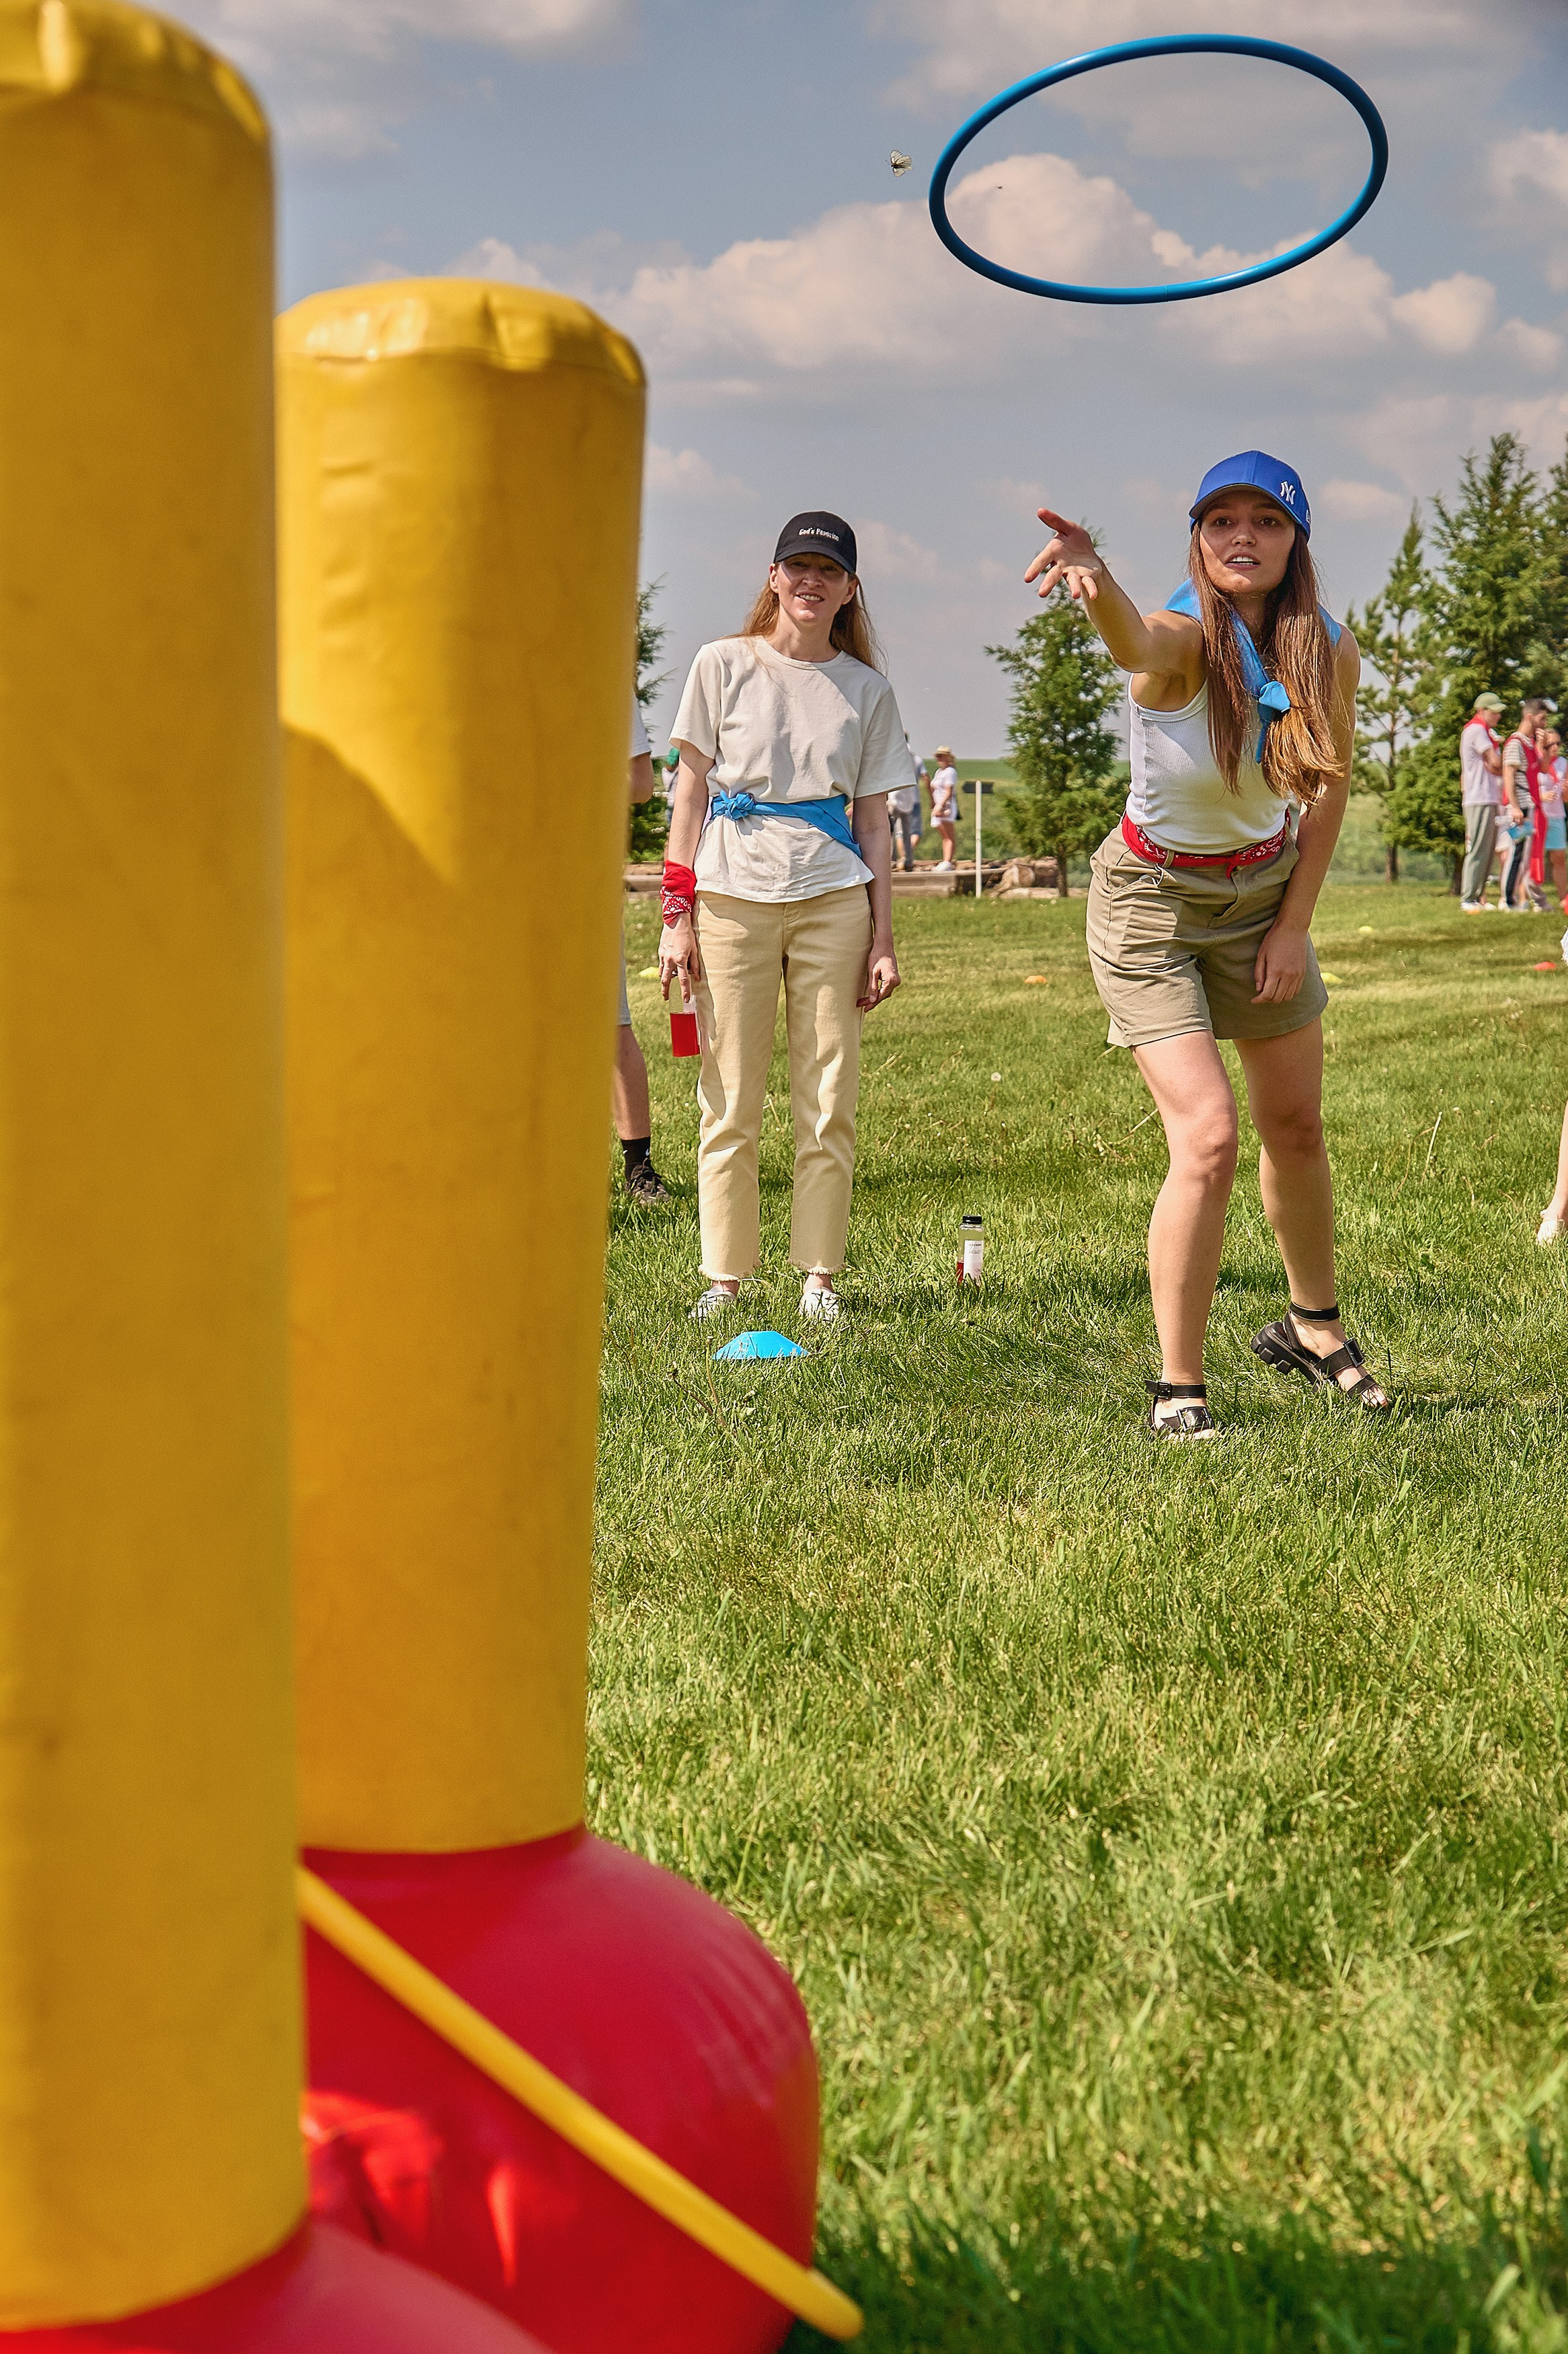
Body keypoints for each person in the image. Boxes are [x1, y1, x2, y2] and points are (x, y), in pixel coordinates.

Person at [1025, 451, 1390, 1437]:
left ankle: (1313, 1328)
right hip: (1151, 902)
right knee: (1211, 1136)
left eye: (1265, 522)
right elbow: (1134, 642)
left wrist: (1295, 924)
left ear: (1296, 542)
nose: (1243, 538)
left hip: (1264, 893)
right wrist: (1093, 575)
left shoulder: (1328, 653)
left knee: (1299, 1128)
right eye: (1222, 521)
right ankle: (1178, 1390)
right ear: (1198, 537)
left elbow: (1330, 789)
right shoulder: (1185, 639)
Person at [658, 510, 905, 1323]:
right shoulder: (721, 664)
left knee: (828, 1089)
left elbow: (872, 822)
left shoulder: (866, 689)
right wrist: (676, 915)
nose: (810, 580)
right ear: (772, 577)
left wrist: (881, 936)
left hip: (833, 897)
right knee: (727, 1092)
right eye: (796, 566)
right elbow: (688, 794)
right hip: (730, 897)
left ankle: (819, 1276)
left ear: (849, 589)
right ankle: (724, 1276)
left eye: (827, 571)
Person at [614, 699, 670, 1203]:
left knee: (611, 1021)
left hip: (571, 869)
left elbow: (639, 783)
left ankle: (639, 1168)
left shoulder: (600, 673)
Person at [1502, 697, 1557, 912]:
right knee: (1518, 855)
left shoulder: (1529, 744)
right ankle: (1509, 900)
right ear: (1529, 717)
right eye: (1542, 718)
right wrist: (1515, 806)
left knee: (1523, 856)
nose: (1544, 723)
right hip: (1521, 806)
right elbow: (1509, 774)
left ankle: (1514, 899)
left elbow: (1541, 769)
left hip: (1529, 804)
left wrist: (1542, 747)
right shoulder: (1516, 742)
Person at [1459, 692, 1505, 909]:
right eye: (1493, 712)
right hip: (1478, 797)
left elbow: (1494, 765)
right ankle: (1468, 897)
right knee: (1478, 849)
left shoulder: (1487, 732)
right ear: (1481, 711)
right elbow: (1495, 764)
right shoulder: (1476, 730)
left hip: (1489, 797)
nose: (1498, 716)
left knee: (1487, 851)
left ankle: (1477, 897)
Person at [1537, 725, 1568, 911]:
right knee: (1534, 859)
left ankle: (1564, 899)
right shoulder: (1536, 760)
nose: (1555, 747)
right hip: (1538, 815)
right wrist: (1541, 797)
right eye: (1551, 744)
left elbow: (1566, 799)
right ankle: (1531, 899)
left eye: (1558, 743)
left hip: (1556, 815)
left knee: (1559, 858)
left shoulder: (1564, 763)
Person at [888, 736, 923, 870]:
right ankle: (908, 859)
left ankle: (891, 859)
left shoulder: (896, 752)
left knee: (891, 831)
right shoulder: (914, 756)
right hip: (909, 797)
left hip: (896, 796)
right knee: (907, 831)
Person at [930, 745, 959, 868]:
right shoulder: (939, 772)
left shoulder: (950, 772)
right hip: (938, 806)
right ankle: (945, 860)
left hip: (946, 807)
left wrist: (940, 805)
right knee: (944, 835)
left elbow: (948, 791)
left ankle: (948, 861)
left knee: (948, 835)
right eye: (938, 756)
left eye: (941, 756)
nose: (939, 759)